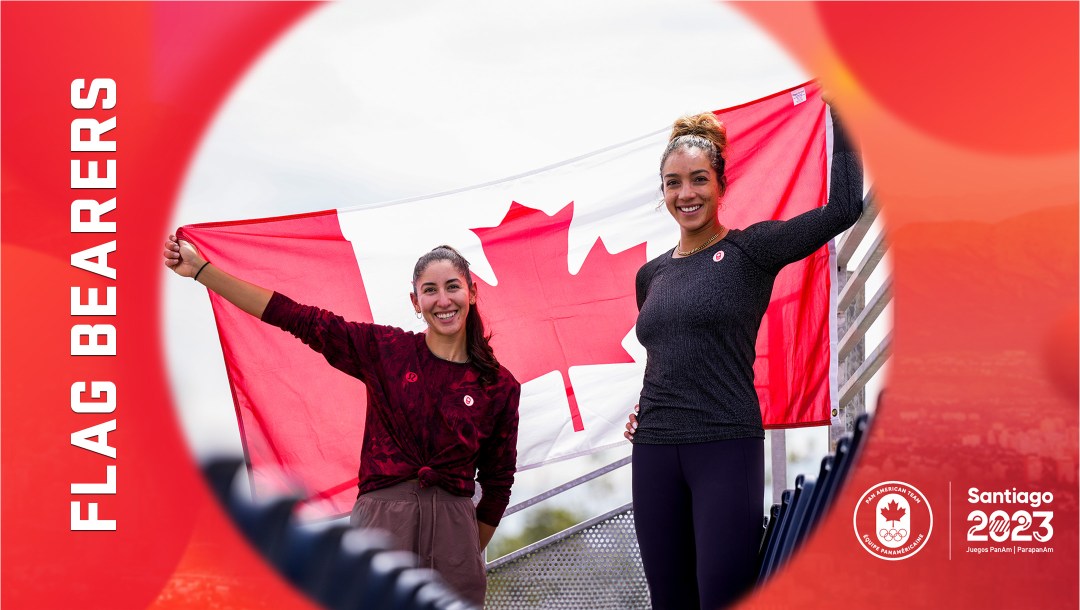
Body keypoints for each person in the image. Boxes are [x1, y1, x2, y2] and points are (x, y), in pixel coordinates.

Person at [164, 240, 520, 606]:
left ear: (472, 292)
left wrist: (462, 547)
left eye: (453, 286)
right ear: (415, 302)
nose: (443, 300)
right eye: (430, 290)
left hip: (455, 542)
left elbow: (498, 484)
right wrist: (203, 272)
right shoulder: (385, 350)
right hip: (382, 527)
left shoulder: (499, 386)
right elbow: (297, 317)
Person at [623, 105, 863, 609]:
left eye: (698, 180)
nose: (685, 194)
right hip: (653, 448)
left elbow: (843, 208)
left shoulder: (751, 251)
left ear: (721, 184)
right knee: (669, 601)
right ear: (662, 191)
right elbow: (667, 353)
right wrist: (642, 409)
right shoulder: (651, 276)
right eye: (673, 184)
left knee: (723, 598)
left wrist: (845, 113)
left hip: (724, 445)